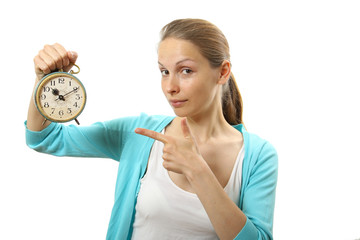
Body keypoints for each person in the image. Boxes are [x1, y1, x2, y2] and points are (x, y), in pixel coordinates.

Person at [26, 19, 278, 240]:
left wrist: (198, 171)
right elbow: (44, 138)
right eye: (164, 71)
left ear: (222, 72)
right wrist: (44, 81)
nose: (170, 86)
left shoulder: (257, 156)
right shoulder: (138, 134)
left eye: (186, 71)